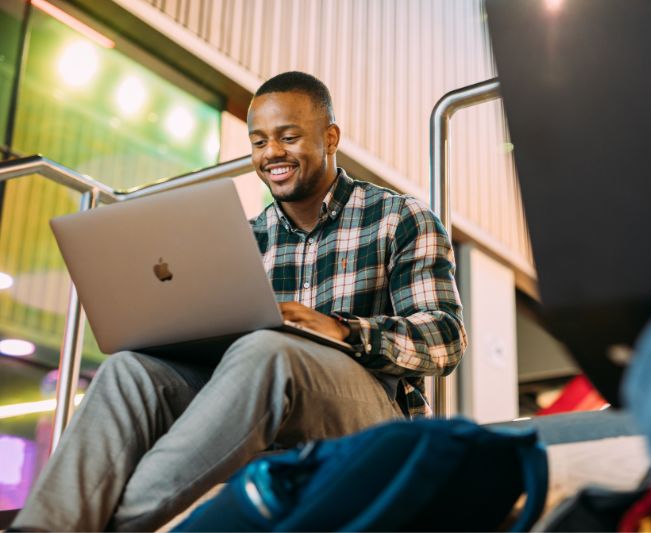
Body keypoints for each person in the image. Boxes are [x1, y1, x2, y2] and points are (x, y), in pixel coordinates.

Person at [11, 71, 467, 532]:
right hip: (260, 408)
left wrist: (342, 330)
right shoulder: (244, 238)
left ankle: (121, 527)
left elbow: (445, 338)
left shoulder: (400, 218)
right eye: (258, 142)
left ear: (330, 138)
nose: (271, 154)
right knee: (130, 370)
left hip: (372, 417)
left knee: (267, 350)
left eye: (288, 137)